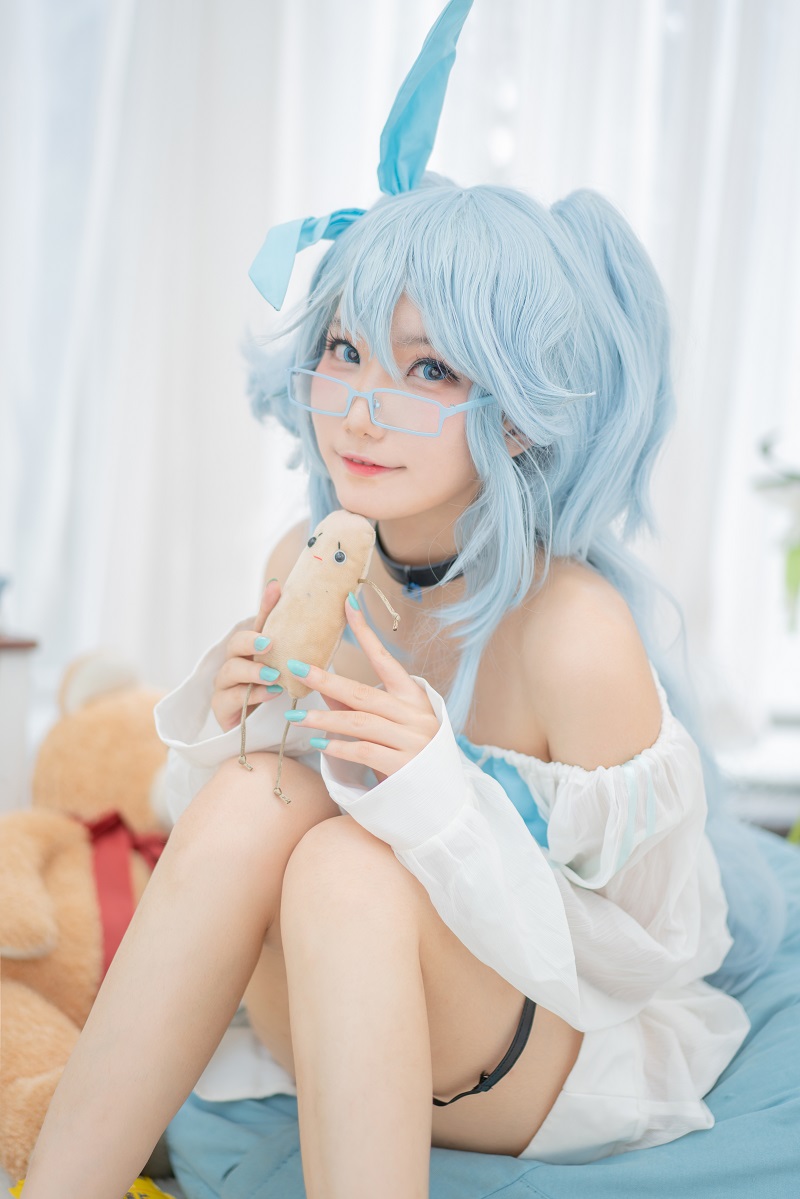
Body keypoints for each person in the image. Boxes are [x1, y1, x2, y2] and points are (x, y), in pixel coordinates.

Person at [22, 3, 779, 1197]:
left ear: (516, 415)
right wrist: (229, 722)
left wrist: (437, 790)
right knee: (256, 793)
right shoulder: (309, 558)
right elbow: (216, 850)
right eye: (345, 351)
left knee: (347, 862)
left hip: (534, 1044)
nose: (364, 409)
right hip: (329, 1007)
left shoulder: (572, 630)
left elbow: (645, 948)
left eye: (429, 367)